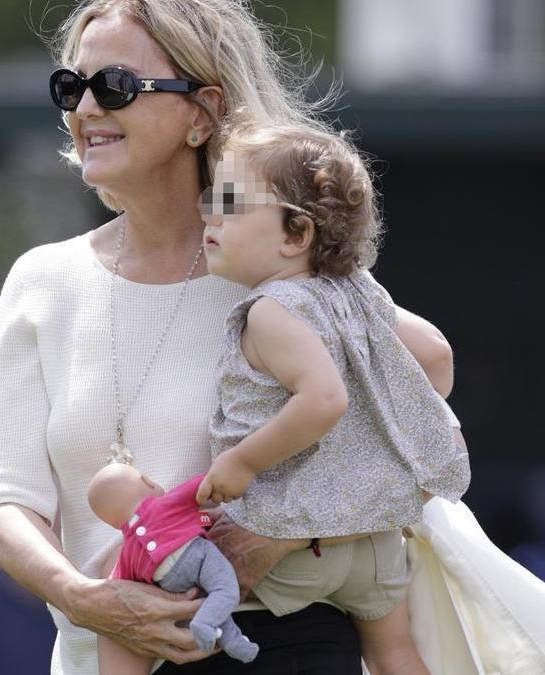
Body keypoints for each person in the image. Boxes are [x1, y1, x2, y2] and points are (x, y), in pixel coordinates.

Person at [0, 1, 455, 673]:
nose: (85, 108)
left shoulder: (279, 267)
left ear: (202, 111)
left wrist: (280, 531)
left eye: (113, 86)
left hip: (279, 647)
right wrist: (82, 597)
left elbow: (422, 378)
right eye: (70, 87)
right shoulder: (40, 279)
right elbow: (3, 499)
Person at [194, 126, 470, 674]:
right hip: (373, 542)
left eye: (228, 203)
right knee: (395, 654)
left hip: (287, 544)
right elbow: (435, 360)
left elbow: (323, 400)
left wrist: (243, 460)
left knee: (164, 592)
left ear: (296, 232)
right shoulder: (359, 294)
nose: (210, 217)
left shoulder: (272, 309)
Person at [88, 464, 259, 670]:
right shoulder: (162, 504)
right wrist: (226, 474)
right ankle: (206, 626)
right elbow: (200, 487)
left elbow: (117, 585)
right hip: (196, 554)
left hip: (168, 581)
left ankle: (232, 641)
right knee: (225, 591)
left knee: (210, 600)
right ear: (148, 481)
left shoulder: (129, 549)